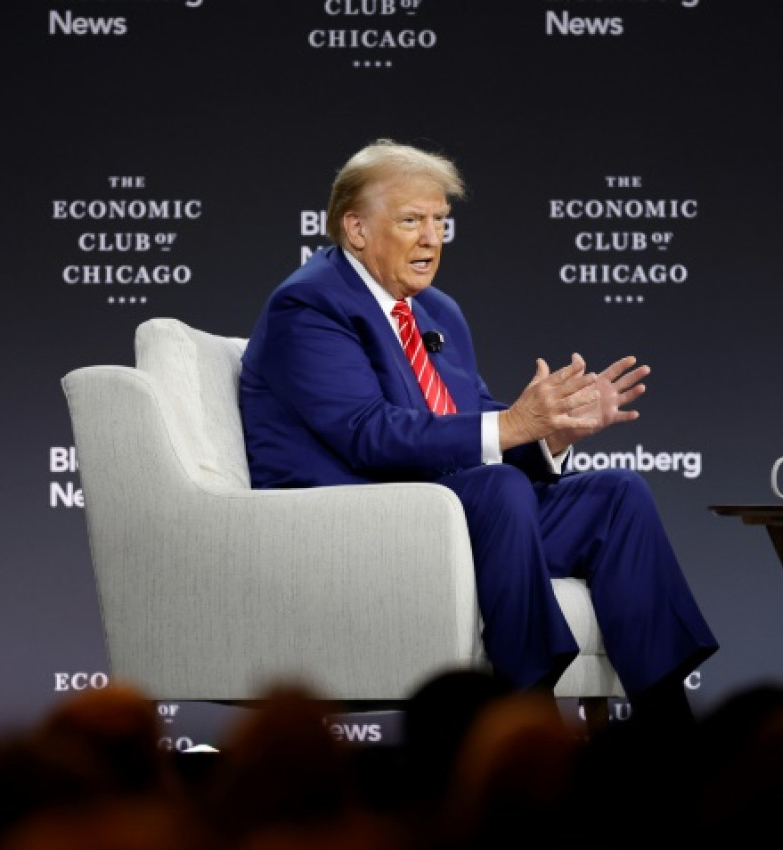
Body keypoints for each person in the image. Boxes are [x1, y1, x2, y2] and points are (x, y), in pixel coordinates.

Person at [238, 138, 718, 731]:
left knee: (616, 495)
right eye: (411, 220)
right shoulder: (310, 306)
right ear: (355, 229)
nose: (431, 238)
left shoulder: (437, 312)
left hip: (458, 511)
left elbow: (477, 420)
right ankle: (527, 722)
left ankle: (669, 727)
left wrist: (553, 433)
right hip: (357, 517)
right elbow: (367, 434)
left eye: (440, 221)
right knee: (499, 490)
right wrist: (514, 424)